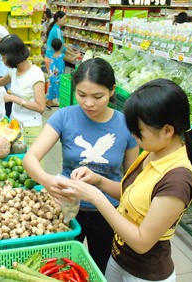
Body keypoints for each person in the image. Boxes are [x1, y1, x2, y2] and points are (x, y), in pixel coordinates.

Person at [57, 78, 192, 281]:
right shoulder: (154, 151)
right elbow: (133, 195)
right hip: (120, 259)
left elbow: (142, 242)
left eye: (138, 130)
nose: (132, 134)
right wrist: (98, 180)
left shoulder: (178, 180)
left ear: (168, 130)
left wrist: (97, 198)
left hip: (146, 274)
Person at [23, 58, 139, 274]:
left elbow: (132, 183)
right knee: (60, 268)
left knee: (99, 268)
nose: (88, 104)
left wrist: (99, 182)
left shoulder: (126, 125)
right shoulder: (64, 116)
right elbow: (30, 159)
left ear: (112, 90)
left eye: (98, 97)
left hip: (107, 212)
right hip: (67, 208)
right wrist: (47, 180)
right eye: (81, 95)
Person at [46, 38, 65, 108]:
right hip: (58, 77)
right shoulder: (62, 56)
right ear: (61, 46)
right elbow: (71, 59)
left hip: (52, 76)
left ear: (52, 47)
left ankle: (49, 101)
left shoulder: (52, 55)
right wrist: (77, 55)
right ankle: (61, 104)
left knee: (51, 89)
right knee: (59, 91)